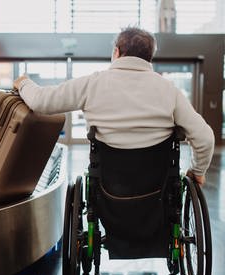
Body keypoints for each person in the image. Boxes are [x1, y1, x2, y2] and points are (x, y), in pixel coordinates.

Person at [13, 27, 214, 185]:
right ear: (149, 57)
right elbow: (204, 138)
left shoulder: (92, 84)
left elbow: (41, 101)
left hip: (109, 190)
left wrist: (23, 83)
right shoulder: (169, 90)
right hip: (157, 191)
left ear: (116, 52)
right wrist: (197, 172)